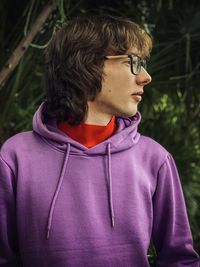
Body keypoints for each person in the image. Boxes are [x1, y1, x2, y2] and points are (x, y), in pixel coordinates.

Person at [0, 15, 199, 267]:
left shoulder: (155, 159)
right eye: (134, 63)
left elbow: (180, 260)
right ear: (86, 64)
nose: (146, 77)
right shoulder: (14, 157)